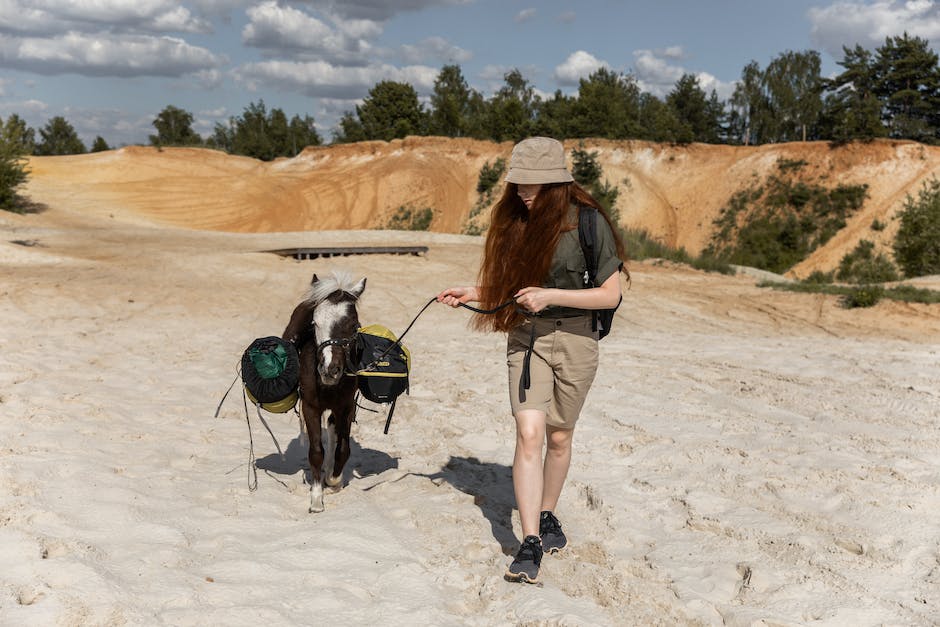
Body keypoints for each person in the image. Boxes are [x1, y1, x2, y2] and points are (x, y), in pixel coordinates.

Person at [437, 136, 626, 584]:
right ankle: (530, 542)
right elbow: (513, 287)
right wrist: (475, 292)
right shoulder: (514, 222)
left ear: (557, 184)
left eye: (533, 183)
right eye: (518, 181)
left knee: (559, 438)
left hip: (578, 340)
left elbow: (610, 294)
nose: (522, 190)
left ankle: (547, 514)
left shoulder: (588, 222)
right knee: (529, 432)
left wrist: (551, 295)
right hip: (526, 338)